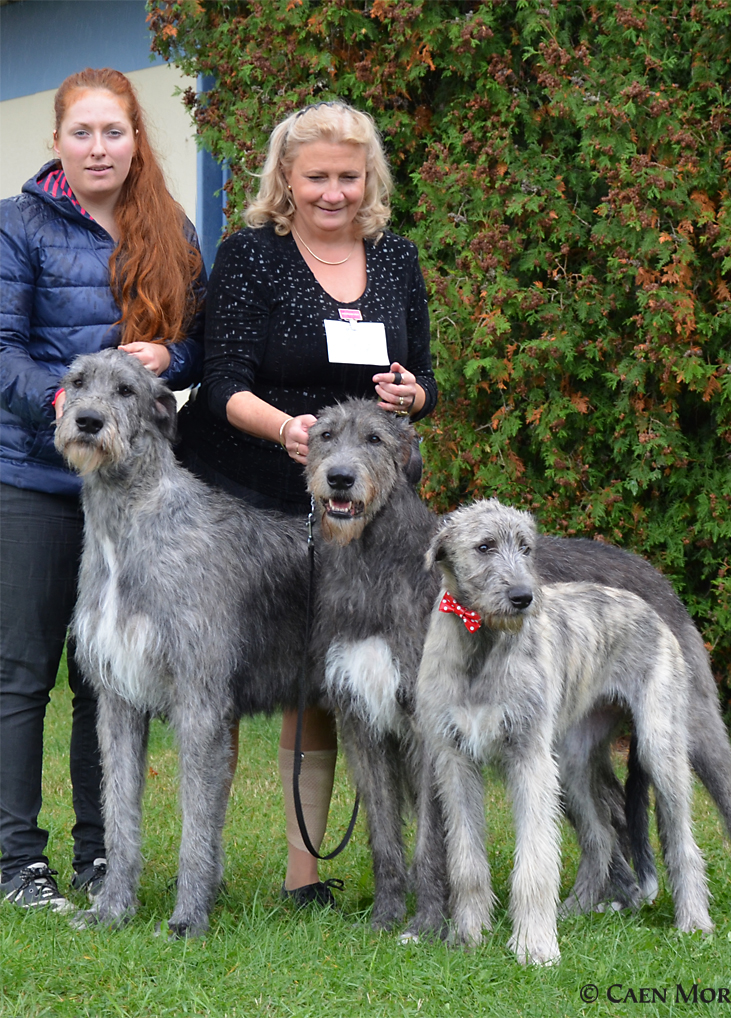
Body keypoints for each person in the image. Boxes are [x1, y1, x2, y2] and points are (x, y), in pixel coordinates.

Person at [176, 101, 437, 906]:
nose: (333, 193)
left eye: (348, 177)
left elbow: (425, 375)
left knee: (325, 679)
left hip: (356, 508)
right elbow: (222, 384)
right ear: (285, 178)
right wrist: (290, 429)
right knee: (213, 676)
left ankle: (304, 877)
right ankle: (200, 873)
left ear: (370, 178)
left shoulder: (395, 257)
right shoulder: (252, 254)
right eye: (316, 176)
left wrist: (415, 393)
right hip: (247, 493)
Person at [0, 68, 205, 911]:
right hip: (35, 479)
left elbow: (196, 345)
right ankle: (16, 861)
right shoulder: (19, 226)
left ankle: (99, 855)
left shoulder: (168, 225)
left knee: (109, 678)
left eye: (113, 132)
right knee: (23, 672)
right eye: (81, 133)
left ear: (135, 140)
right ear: (57, 142)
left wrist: (169, 359)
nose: (98, 148)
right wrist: (72, 407)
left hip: (139, 496)